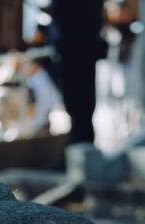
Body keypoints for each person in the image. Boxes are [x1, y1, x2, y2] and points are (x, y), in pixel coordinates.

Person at [49, 0, 106, 145]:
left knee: (80, 104)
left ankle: (80, 145)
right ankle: (78, 144)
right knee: (77, 104)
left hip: (77, 49)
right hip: (75, 48)